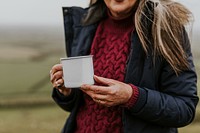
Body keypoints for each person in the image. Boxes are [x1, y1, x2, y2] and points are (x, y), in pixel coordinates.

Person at [50, 0, 199, 133]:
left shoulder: (166, 29)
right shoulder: (85, 24)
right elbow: (79, 106)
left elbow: (184, 109)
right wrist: (67, 92)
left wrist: (131, 96)